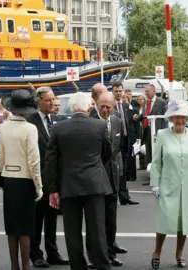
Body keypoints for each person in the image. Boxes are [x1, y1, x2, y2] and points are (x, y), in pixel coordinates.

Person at [44, 92, 113, 270]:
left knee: (72, 232)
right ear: (89, 108)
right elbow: (107, 152)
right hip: (94, 183)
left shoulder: (59, 128)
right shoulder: (99, 126)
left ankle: (78, 266)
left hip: (69, 185)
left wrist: (52, 189)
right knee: (97, 231)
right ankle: (102, 265)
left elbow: (51, 160)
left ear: (71, 108)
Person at [149, 100, 188, 269]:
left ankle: (179, 253)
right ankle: (157, 251)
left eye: (182, 117)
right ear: (171, 118)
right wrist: (155, 184)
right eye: (176, 117)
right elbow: (156, 162)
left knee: (184, 223)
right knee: (164, 221)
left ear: (187, 118)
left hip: (187, 186)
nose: (179, 120)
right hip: (167, 185)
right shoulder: (162, 134)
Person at [0, 89, 44, 270]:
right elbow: (34, 161)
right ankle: (26, 265)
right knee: (25, 228)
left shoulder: (3, 127)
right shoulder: (30, 128)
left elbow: (1, 158)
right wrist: (39, 186)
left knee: (11, 227)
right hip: (25, 181)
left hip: (9, 179)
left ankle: (14, 265)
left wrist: (1, 178)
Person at [26, 87, 69, 268]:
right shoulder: (30, 122)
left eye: (53, 99)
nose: (52, 103)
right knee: (36, 218)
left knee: (52, 218)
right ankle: (35, 254)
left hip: (55, 179)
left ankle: (53, 252)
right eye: (48, 100)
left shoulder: (57, 121)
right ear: (39, 101)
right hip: (37, 179)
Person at [87, 92, 123, 269]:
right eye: (102, 106)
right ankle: (94, 257)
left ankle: (111, 253)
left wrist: (118, 172)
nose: (105, 109)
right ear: (96, 104)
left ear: (114, 106)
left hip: (112, 177)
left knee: (110, 219)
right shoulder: (89, 121)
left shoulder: (117, 121)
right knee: (94, 219)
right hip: (93, 176)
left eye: (109, 106)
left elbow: (119, 149)